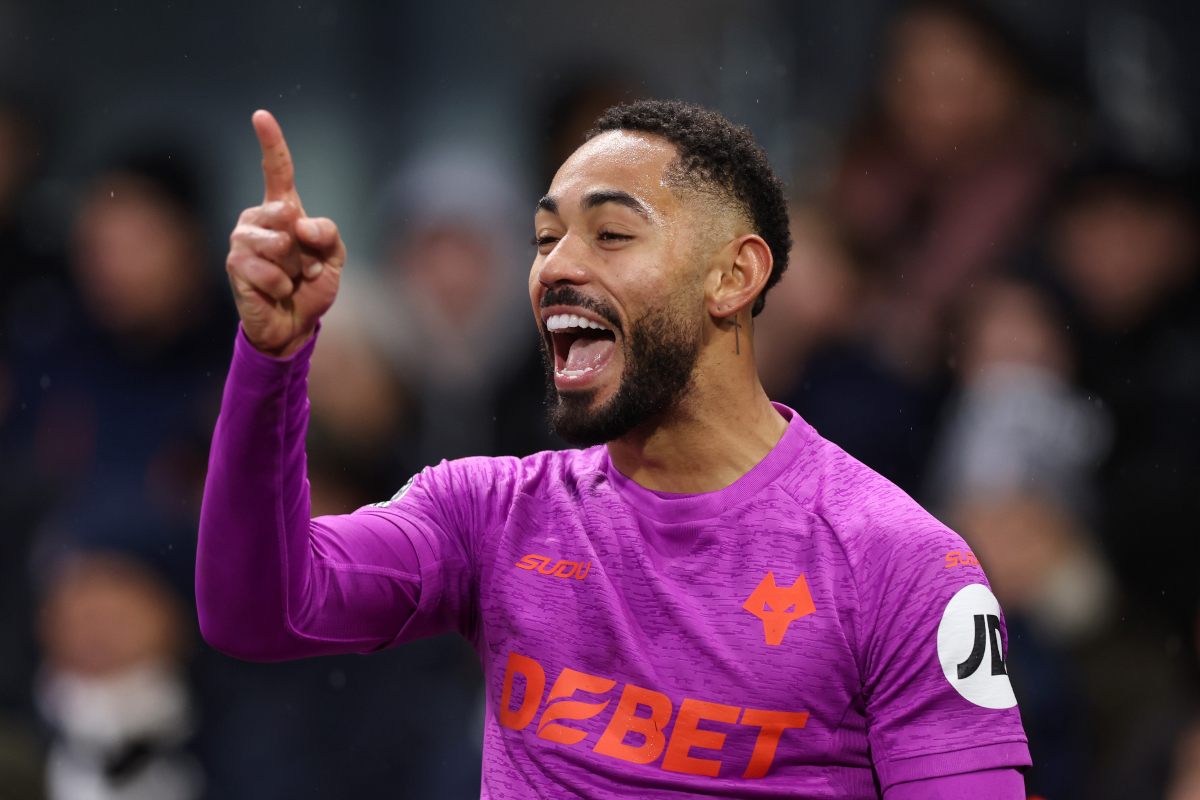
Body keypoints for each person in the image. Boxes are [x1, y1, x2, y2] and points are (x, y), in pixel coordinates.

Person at [197, 101, 1029, 798]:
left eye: (611, 235)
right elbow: (258, 609)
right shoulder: (487, 513)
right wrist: (272, 358)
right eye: (545, 236)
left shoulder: (902, 564)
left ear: (734, 277)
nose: (556, 266)